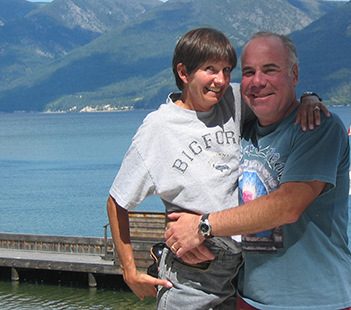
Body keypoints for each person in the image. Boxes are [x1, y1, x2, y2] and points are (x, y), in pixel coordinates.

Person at [107, 27, 327, 310]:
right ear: (184, 73)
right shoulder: (158, 129)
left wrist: (308, 97)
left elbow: (276, 98)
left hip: (244, 269)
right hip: (194, 274)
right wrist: (129, 271)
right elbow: (117, 201)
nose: (220, 80)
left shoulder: (233, 101)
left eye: (226, 70)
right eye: (210, 70)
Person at [165, 32, 351, 310]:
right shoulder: (240, 131)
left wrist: (202, 226)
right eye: (249, 72)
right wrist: (175, 223)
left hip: (316, 302)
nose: (257, 81)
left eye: (270, 70)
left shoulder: (318, 127)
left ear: (294, 74)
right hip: (248, 297)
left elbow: (287, 205)